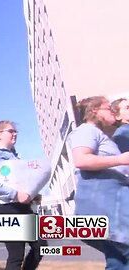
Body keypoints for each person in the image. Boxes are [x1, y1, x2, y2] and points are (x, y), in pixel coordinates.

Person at [68, 96, 129, 269]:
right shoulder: (86, 130)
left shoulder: (101, 135)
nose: (112, 111)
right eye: (108, 108)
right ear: (95, 110)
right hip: (105, 206)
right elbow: (81, 160)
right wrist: (121, 159)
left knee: (118, 261)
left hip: (106, 207)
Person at [0, 120, 44, 270]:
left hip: (22, 207)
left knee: (40, 246)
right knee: (16, 254)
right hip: (3, 207)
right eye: (10, 131)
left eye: (15, 132)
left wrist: (32, 195)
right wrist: (15, 194)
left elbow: (21, 184)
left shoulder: (17, 159)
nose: (15, 134)